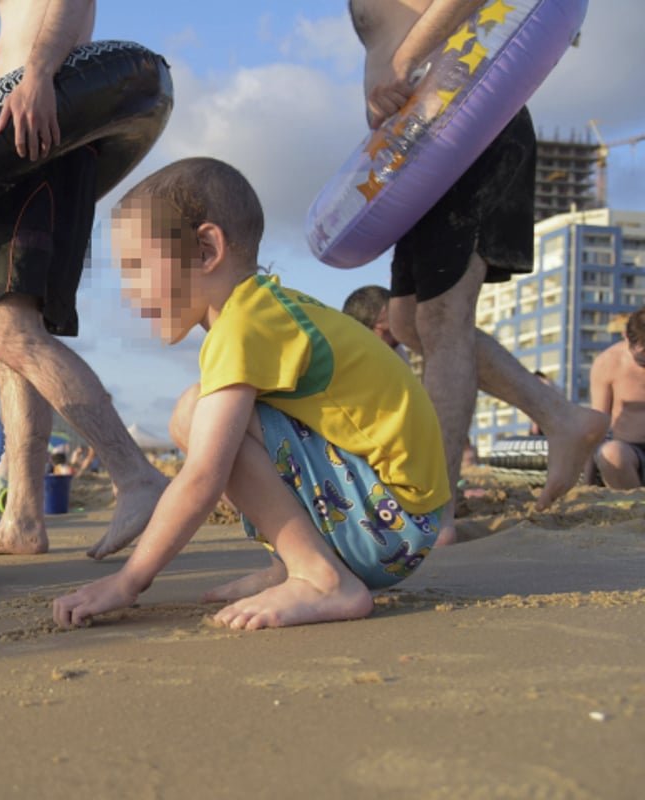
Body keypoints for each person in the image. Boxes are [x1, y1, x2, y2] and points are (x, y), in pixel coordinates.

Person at [54, 158, 451, 630]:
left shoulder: (243, 326)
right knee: (201, 410)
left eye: (138, 266)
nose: (130, 290)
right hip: (398, 522)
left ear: (205, 249)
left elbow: (204, 477)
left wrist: (129, 580)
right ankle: (296, 565)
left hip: (388, 527)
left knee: (196, 414)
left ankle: (320, 577)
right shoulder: (260, 311)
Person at [351, 0, 608, 543]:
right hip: (416, 144)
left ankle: (438, 512)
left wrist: (403, 62)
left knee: (443, 318)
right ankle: (559, 416)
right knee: (407, 323)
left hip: (467, 124)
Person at [0, 0, 168, 559]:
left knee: (12, 332)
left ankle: (136, 477)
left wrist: (36, 75)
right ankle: (23, 517)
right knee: (3, 338)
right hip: (15, 136)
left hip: (43, 130)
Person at [588, 307, 645, 489]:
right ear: (625, 336)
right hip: (632, 453)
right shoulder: (608, 363)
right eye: (642, 354)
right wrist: (587, 484)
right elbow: (595, 427)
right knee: (611, 454)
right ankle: (637, 509)